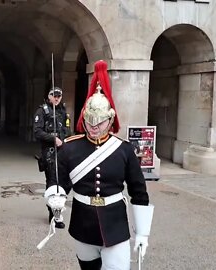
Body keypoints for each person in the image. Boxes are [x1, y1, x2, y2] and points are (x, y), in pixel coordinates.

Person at [44, 60, 154, 270]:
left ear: (111, 120)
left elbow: (139, 192)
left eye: (100, 122)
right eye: (89, 121)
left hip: (115, 223)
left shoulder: (124, 149)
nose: (93, 127)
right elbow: (58, 179)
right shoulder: (69, 148)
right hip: (82, 223)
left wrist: (142, 232)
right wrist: (54, 195)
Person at [33, 86, 71, 228]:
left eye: (59, 96)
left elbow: (67, 130)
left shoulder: (62, 110)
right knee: (53, 184)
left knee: (67, 183)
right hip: (49, 153)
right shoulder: (42, 111)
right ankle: (55, 215)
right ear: (49, 96)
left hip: (64, 151)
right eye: (54, 96)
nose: (56, 98)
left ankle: (57, 206)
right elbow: (37, 131)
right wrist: (52, 139)